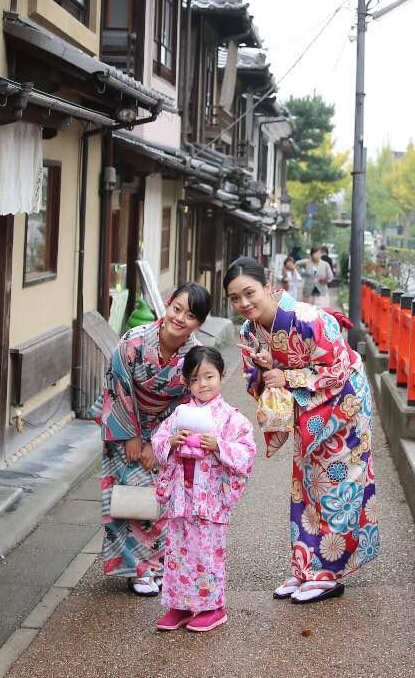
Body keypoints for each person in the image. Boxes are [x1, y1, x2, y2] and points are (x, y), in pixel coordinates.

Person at [225, 256, 379, 605]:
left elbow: (338, 366)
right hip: (308, 407)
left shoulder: (307, 318)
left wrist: (289, 376)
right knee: (306, 483)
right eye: (235, 298)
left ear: (267, 286)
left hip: (345, 404)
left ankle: (329, 573)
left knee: (337, 483)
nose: (244, 303)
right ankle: (307, 566)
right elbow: (259, 378)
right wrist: (267, 368)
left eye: (250, 293)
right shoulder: (250, 331)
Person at [93, 282, 211, 596]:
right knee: (129, 492)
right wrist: (132, 437)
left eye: (191, 316)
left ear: (199, 322)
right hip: (125, 423)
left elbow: (189, 401)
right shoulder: (134, 341)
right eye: (177, 309)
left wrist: (158, 441)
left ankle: (156, 565)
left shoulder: (193, 356)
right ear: (168, 305)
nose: (180, 318)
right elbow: (117, 386)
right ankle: (136, 569)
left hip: (166, 428)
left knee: (162, 494)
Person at [151, 347, 256, 631]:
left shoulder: (232, 418)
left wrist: (218, 446)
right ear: (187, 383)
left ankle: (212, 607)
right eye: (195, 379)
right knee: (177, 551)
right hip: (181, 497)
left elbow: (247, 451)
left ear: (221, 376)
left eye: (209, 376)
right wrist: (172, 442)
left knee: (207, 554)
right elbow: (158, 439)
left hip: (210, 498)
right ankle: (178, 605)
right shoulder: (180, 414)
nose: (203, 384)